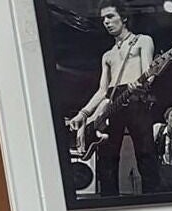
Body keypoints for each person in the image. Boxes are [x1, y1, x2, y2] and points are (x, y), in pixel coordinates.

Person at [66, 3, 159, 196]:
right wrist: (83, 113)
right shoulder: (107, 55)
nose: (106, 22)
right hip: (111, 102)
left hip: (136, 99)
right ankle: (109, 202)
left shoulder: (142, 41)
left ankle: (153, 203)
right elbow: (102, 90)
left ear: (123, 17)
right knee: (107, 161)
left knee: (146, 155)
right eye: (103, 19)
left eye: (110, 16)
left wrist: (142, 84)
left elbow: (149, 74)